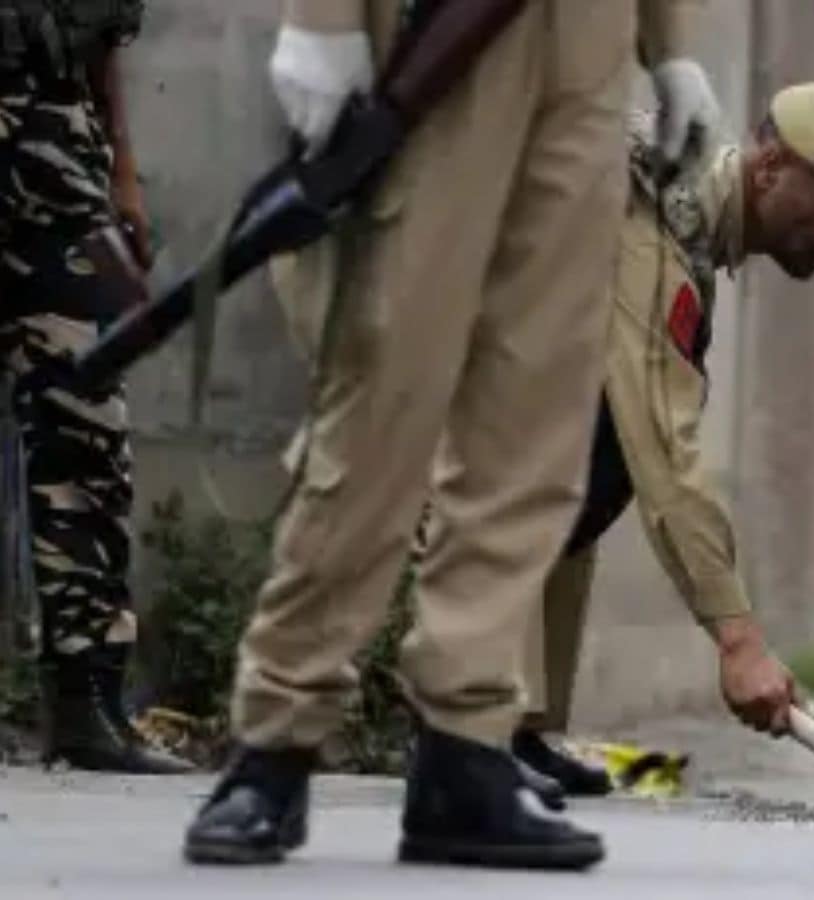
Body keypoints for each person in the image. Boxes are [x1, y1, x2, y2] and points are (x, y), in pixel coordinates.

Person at [182, 0, 720, 871]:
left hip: (591, 53)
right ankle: (275, 740)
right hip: (445, 33)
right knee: (383, 402)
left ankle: (465, 746)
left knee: (533, 423)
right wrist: (322, 18)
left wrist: (669, 47)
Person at [498, 82, 814, 798]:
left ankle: (517, 726)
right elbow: (666, 452)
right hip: (401, 346)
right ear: (770, 166)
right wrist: (740, 642)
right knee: (592, 445)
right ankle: (469, 725)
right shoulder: (655, 236)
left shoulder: (687, 228)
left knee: (583, 454)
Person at [0, 0, 191, 775]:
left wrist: (121, 171)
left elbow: (102, 34)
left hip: (54, 134)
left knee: (87, 419)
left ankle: (87, 702)